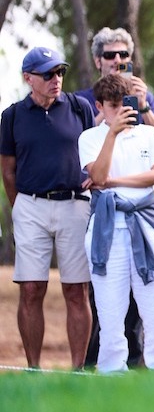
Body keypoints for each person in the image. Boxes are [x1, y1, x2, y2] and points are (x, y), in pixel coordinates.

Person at [77, 26, 154, 369]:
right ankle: (111, 373)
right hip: (105, 227)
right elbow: (95, 177)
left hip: (145, 223)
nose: (122, 110)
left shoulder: (147, 132)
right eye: (114, 106)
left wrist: (114, 180)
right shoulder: (89, 137)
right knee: (110, 309)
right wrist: (112, 134)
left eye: (125, 104)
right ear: (100, 105)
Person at [0, 47, 96, 370]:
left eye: (59, 73)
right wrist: (21, 208)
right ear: (28, 79)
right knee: (30, 289)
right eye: (47, 74)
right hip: (30, 206)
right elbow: (8, 171)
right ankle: (33, 369)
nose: (56, 80)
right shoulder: (12, 116)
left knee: (76, 290)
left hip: (74, 206)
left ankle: (78, 370)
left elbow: (94, 153)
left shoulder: (79, 108)